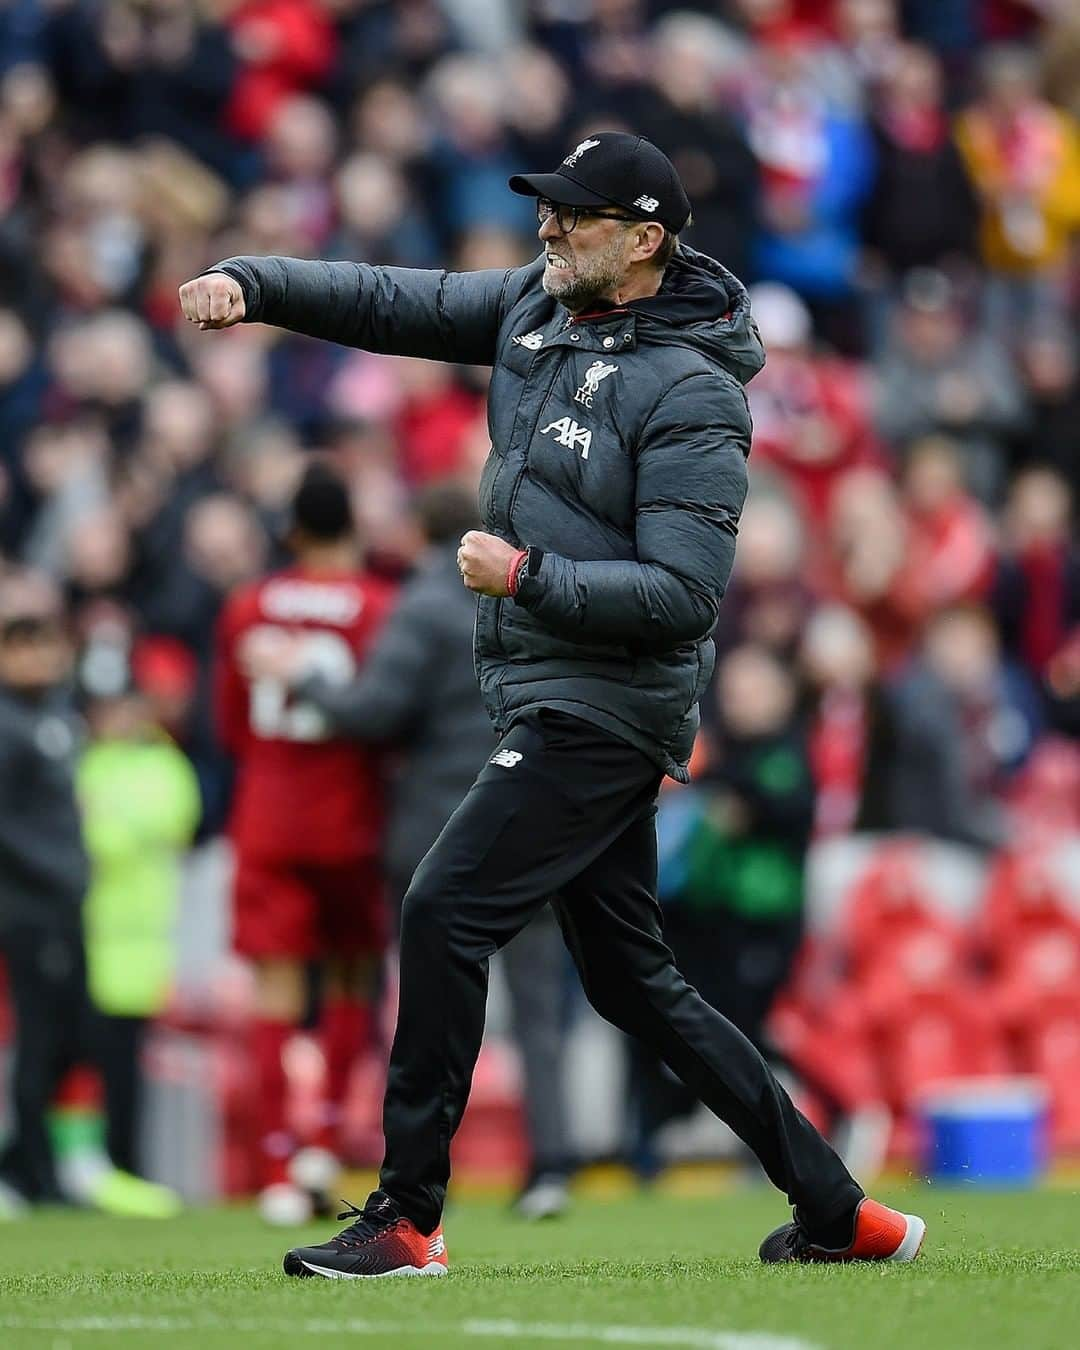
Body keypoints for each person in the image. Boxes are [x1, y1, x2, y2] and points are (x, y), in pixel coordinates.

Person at [180, 130, 925, 1272]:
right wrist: (259, 282)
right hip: (547, 691)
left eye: (573, 216)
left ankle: (408, 1216)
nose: (547, 227)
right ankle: (840, 1211)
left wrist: (528, 576)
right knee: (636, 982)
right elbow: (396, 302)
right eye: (548, 209)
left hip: (608, 705)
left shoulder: (693, 393)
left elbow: (682, 596)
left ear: (644, 240)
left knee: (442, 911)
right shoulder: (538, 305)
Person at [247, 478, 575, 1219]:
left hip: (441, 830)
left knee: (434, 1010)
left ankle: (427, 1173)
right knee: (540, 1013)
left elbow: (373, 711)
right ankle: (550, 1167)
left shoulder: (421, 606)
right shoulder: (533, 598)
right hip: (532, 817)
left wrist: (302, 677)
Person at [213, 462, 396, 1224]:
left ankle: (277, 1168)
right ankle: (324, 1139)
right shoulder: (379, 606)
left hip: (270, 816)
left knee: (276, 994)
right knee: (354, 978)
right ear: (353, 527)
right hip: (352, 819)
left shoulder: (248, 607)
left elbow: (227, 723)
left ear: (290, 531)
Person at [0, 571, 91, 1214]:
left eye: (43, 643)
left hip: (64, 901)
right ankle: (31, 1172)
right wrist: (55, 873)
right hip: (27, 904)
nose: (36, 656)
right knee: (38, 1038)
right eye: (20, 644)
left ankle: (29, 1161)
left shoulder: (58, 714)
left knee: (66, 1037)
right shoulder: (7, 725)